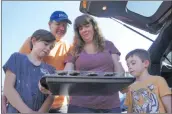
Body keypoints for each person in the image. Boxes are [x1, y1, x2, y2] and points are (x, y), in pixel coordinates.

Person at [2, 11, 72, 113]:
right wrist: (5, 95)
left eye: (65, 25)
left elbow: (68, 74)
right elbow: (15, 71)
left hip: (59, 104)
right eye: (58, 24)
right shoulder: (29, 43)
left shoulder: (68, 47)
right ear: (50, 24)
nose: (62, 28)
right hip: (27, 103)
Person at [63, 14, 125, 113]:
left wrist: (123, 85)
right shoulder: (75, 50)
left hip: (110, 104)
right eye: (80, 28)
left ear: (94, 27)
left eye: (87, 26)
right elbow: (67, 71)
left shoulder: (108, 45)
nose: (84, 30)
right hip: (80, 105)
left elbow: (118, 67)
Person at [3, 29, 56, 113]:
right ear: (34, 41)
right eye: (45, 44)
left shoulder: (51, 70)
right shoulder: (16, 58)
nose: (48, 49)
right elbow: (8, 88)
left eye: (51, 47)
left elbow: (51, 96)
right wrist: (27, 112)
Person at [124, 49, 172, 113]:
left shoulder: (159, 80)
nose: (129, 67)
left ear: (145, 63)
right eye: (128, 65)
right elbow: (130, 110)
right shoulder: (130, 87)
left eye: (133, 63)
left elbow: (169, 107)